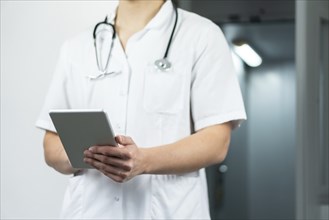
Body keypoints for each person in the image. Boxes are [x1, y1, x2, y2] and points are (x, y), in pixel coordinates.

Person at [36, 0, 246, 219]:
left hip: (170, 211)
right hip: (90, 211)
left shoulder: (202, 36)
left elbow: (216, 142)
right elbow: (51, 144)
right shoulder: (77, 46)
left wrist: (144, 161)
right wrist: (88, 157)